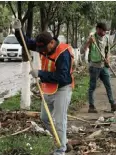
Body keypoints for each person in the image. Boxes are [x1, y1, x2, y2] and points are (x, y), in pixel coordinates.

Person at [14, 19, 74, 155]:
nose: (42, 52)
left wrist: (40, 73)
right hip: (49, 87)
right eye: (40, 49)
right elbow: (27, 42)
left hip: (62, 89)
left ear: (52, 42)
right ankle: (62, 141)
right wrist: (18, 31)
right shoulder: (43, 45)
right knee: (45, 118)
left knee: (59, 120)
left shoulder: (63, 53)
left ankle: (60, 150)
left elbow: (63, 77)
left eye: (44, 49)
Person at [80, 22, 116, 113]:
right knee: (92, 87)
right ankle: (91, 106)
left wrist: (108, 59)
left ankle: (113, 104)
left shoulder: (106, 38)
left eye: (105, 31)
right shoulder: (92, 38)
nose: (104, 33)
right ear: (97, 29)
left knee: (108, 85)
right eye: (102, 31)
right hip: (94, 67)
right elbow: (81, 50)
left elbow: (108, 51)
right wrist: (89, 42)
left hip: (103, 66)